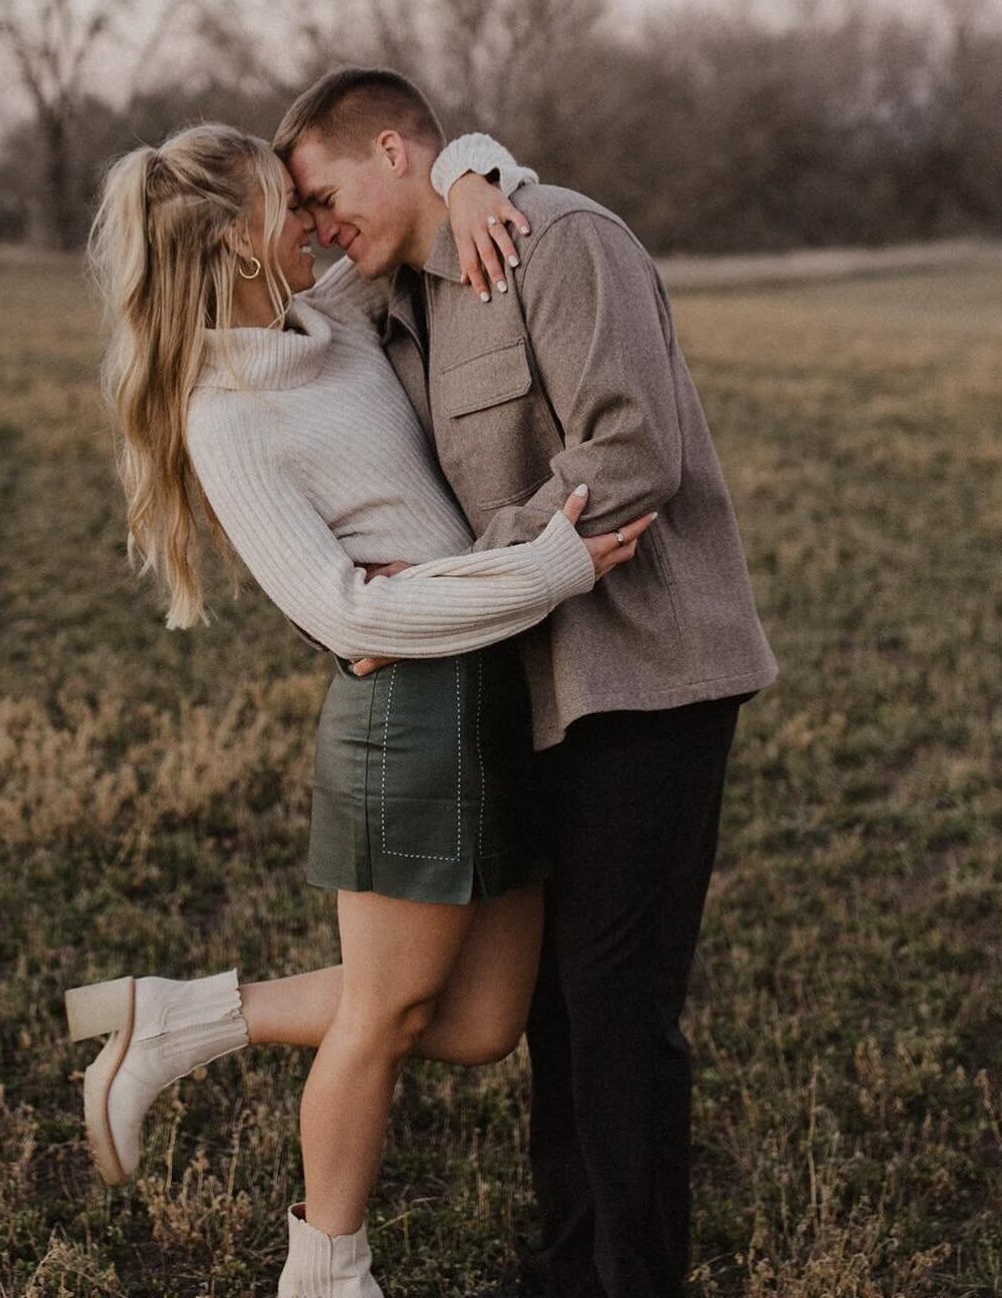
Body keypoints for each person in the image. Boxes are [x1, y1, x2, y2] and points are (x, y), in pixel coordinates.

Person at [65, 119, 658, 1297]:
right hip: (409, 721)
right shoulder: (224, 417)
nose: (315, 223)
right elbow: (350, 617)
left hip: (494, 686)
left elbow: (403, 182)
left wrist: (470, 172)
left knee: (486, 1020)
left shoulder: (321, 316)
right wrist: (546, 570)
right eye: (289, 208)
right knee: (383, 1018)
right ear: (242, 238)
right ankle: (325, 1272)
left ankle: (185, 1021)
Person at [275, 67, 780, 1298]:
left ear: (397, 149)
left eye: (328, 195)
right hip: (521, 693)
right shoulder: (392, 298)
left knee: (615, 1008)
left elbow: (629, 457)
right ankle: (563, 1270)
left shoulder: (560, 242)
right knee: (553, 1008)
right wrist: (464, 167)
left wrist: (453, 579)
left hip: (647, 676)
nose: (322, 225)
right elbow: (257, 287)